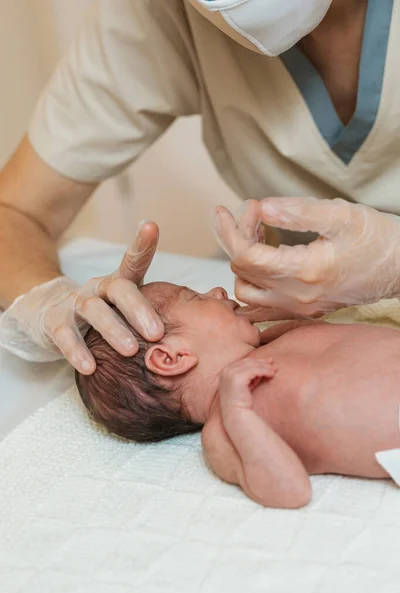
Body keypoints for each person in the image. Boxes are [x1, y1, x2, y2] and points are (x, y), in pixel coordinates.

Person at [2, 0, 400, 375]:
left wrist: (394, 264)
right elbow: (15, 210)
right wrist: (45, 300)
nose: (216, 291)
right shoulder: (155, 13)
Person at [75, 280, 400, 508]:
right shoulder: (223, 429)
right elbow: (289, 491)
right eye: (196, 297)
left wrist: (308, 322)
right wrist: (238, 410)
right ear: (171, 358)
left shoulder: (272, 342)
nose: (216, 290)